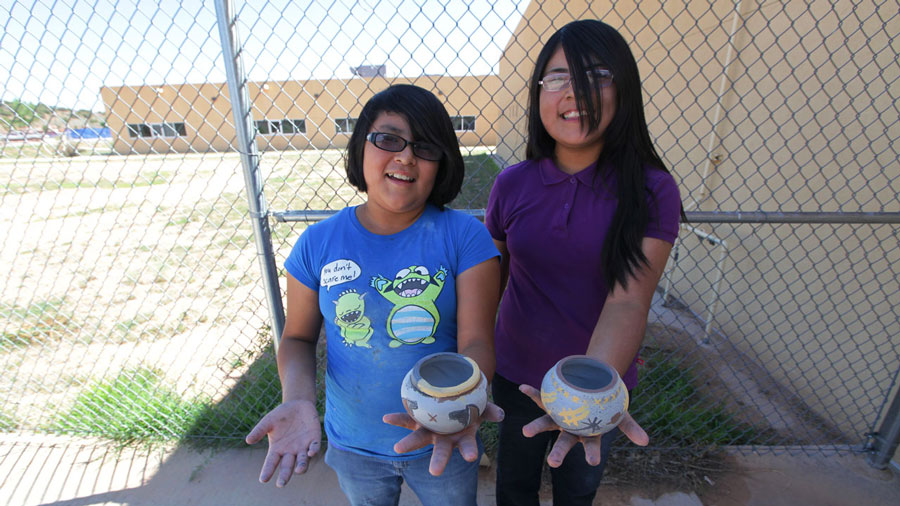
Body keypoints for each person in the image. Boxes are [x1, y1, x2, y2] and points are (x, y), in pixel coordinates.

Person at [245, 84, 502, 506]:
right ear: (360, 148)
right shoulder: (317, 244)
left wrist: (460, 408)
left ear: (442, 163)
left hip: (444, 435)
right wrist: (298, 399)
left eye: (425, 147)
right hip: (353, 443)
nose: (406, 157)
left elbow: (476, 341)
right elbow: (297, 338)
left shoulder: (466, 238)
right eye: (389, 139)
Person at [485, 19, 684, 506]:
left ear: (624, 90)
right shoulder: (512, 183)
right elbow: (490, 282)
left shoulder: (652, 190)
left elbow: (628, 301)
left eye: (595, 76)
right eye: (557, 77)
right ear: (539, 94)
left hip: (600, 379)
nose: (573, 92)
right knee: (514, 486)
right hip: (517, 373)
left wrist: (587, 398)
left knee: (577, 489)